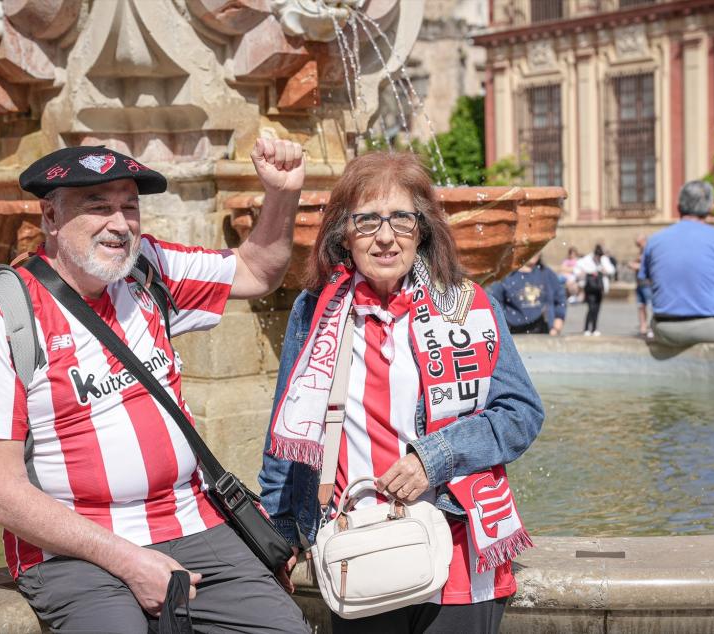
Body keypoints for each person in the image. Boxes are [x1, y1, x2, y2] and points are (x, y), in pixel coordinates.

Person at [0, 142, 311, 633]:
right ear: (50, 216)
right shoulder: (1, 315)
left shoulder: (150, 271)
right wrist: (129, 561)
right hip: (71, 551)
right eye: (98, 207)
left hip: (193, 522)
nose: (120, 224)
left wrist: (280, 194)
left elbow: (256, 270)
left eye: (130, 206)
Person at [259, 151, 544, 634]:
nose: (386, 236)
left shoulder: (469, 304)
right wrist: (280, 532)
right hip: (359, 551)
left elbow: (521, 412)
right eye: (367, 220)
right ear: (343, 234)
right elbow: (286, 433)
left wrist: (436, 457)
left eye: (401, 219)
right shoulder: (315, 311)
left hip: (459, 549)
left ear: (423, 228)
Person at [638, 180, 714, 346]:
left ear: (678, 205)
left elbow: (649, 281)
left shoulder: (654, 240)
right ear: (710, 207)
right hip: (712, 326)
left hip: (664, 327)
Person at [487, 252, 566, 335]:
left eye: (538, 249)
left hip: (545, 331)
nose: (535, 253)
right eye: (532, 248)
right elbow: (494, 303)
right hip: (515, 332)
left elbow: (560, 300)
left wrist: (556, 328)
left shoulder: (546, 273)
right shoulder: (507, 276)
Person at [574, 244, 615, 336]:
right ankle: (586, 328)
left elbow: (611, 269)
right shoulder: (587, 259)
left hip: (599, 287)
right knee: (591, 307)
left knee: (597, 308)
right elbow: (577, 268)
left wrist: (605, 270)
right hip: (590, 287)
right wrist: (584, 273)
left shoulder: (603, 260)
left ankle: (594, 328)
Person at [628, 235, 653, 339]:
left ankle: (652, 328)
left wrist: (636, 265)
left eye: (639, 243)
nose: (638, 246)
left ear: (645, 241)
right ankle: (643, 328)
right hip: (639, 284)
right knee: (641, 306)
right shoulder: (640, 253)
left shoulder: (650, 252)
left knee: (651, 307)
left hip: (647, 284)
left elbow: (650, 267)